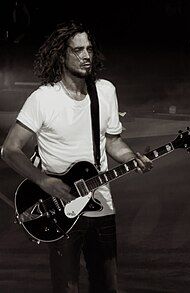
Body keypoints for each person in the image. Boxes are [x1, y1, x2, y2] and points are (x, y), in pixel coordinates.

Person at [1, 20, 153, 293]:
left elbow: (113, 141)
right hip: (59, 210)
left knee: (108, 287)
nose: (86, 56)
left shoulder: (105, 91)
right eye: (78, 50)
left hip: (101, 205)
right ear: (62, 54)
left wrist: (132, 157)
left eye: (90, 49)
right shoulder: (44, 98)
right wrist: (44, 182)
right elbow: (10, 149)